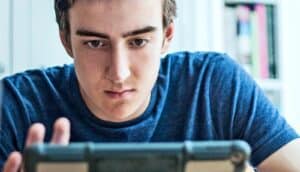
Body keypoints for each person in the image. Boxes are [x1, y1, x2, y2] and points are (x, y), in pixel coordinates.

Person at [1, 0, 299, 171]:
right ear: (66, 39)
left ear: (167, 35)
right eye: (94, 42)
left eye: (138, 41)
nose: (118, 72)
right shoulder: (13, 107)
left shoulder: (214, 86)